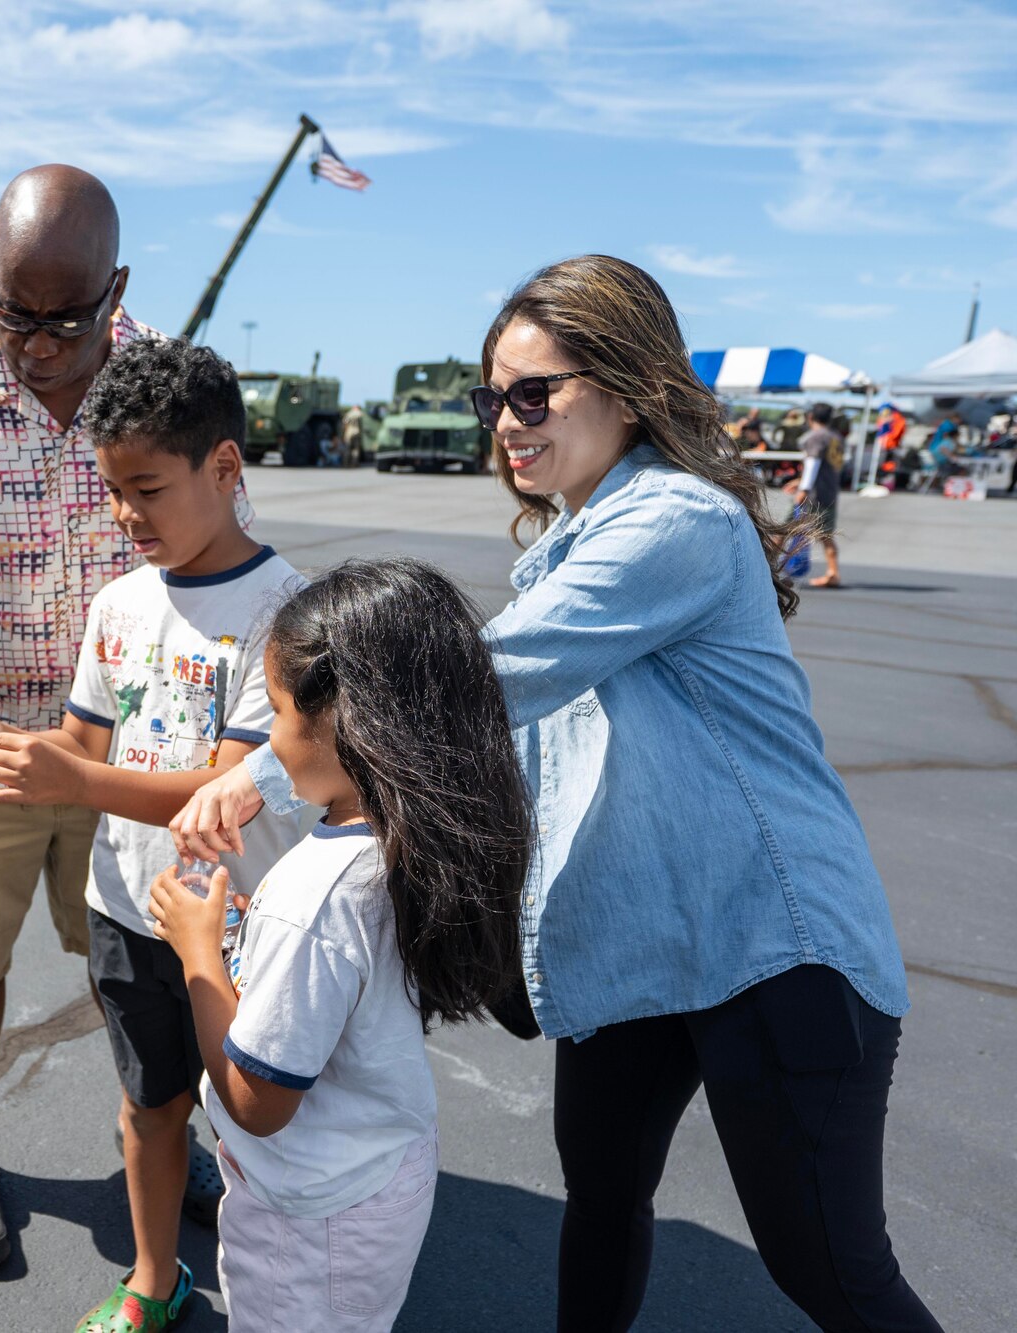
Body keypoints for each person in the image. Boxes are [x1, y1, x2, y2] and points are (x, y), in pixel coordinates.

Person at [173, 255, 940, 1333]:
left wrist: (256, 777)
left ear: (626, 387)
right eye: (495, 397)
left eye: (534, 393)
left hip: (769, 947)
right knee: (602, 1205)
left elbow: (472, 682)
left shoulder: (677, 521)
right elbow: (503, 763)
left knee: (828, 1271)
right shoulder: (560, 548)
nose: (504, 422)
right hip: (634, 944)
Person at [0, 163, 249, 1271]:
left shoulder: (171, 393)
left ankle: (171, 1131)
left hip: (135, 757)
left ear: (117, 287)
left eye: (67, 319)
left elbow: (221, 560)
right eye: (14, 312)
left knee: (159, 960)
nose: (37, 342)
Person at [0, 339, 305, 1328]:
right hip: (126, 909)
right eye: (110, 489)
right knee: (150, 1110)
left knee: (260, 1118)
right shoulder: (119, 600)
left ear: (223, 468)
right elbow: (76, 743)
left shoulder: (282, 613)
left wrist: (75, 774)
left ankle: (278, 1285)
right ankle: (152, 1274)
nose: (124, 515)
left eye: (145, 487)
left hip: (238, 926)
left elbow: (226, 787)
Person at [148, 558, 530, 1333]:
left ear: (347, 720)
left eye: (281, 714)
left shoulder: (315, 894)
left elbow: (257, 1103)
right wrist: (268, 933)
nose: (270, 745)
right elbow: (347, 974)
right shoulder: (408, 839)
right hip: (382, 1171)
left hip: (308, 1219)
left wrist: (200, 955)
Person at [785, 401, 843, 587]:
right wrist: (799, 481)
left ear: (810, 417)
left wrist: (803, 488)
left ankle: (768, 567)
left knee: (788, 529)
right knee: (824, 534)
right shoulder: (836, 438)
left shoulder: (816, 438)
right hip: (830, 490)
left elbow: (812, 464)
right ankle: (833, 572)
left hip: (815, 496)